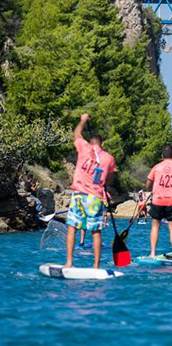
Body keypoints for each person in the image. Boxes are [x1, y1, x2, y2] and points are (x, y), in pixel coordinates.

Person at [64, 113, 116, 269]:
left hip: (79, 195)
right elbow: (109, 180)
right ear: (102, 143)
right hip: (95, 197)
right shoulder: (109, 158)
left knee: (73, 227)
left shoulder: (84, 147)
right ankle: (96, 266)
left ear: (90, 142)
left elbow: (76, 134)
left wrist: (83, 120)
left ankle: (69, 262)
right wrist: (104, 182)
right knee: (96, 231)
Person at [145, 145, 172, 260]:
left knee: (155, 226)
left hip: (158, 200)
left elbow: (148, 184)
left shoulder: (156, 167)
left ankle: (153, 253)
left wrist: (152, 185)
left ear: (161, 156)